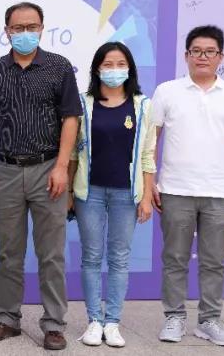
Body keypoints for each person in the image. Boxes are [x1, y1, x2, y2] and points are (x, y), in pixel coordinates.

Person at [0, 2, 80, 351]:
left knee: (51, 254)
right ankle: (7, 318)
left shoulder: (59, 67)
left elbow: (70, 118)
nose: (25, 33)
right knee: (9, 252)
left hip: (48, 169)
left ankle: (54, 324)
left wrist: (61, 166)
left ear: (42, 28)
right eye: (18, 28)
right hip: (6, 170)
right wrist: (17, 140)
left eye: (32, 26)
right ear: (7, 31)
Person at [151, 25, 224, 346]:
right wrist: (150, 180)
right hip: (175, 189)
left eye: (210, 51)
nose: (202, 57)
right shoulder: (167, 91)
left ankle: (209, 321)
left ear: (221, 56)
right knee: (174, 258)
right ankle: (174, 317)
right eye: (196, 51)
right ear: (186, 55)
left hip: (220, 192)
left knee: (214, 261)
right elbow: (151, 139)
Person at [67, 42, 157, 347]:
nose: (114, 70)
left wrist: (147, 197)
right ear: (97, 69)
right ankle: (94, 320)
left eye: (120, 64)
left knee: (119, 258)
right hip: (89, 192)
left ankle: (113, 322)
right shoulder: (83, 103)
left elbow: (148, 155)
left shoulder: (143, 105)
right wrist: (69, 192)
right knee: (91, 256)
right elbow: (73, 154)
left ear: (130, 68)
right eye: (108, 64)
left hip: (126, 195)